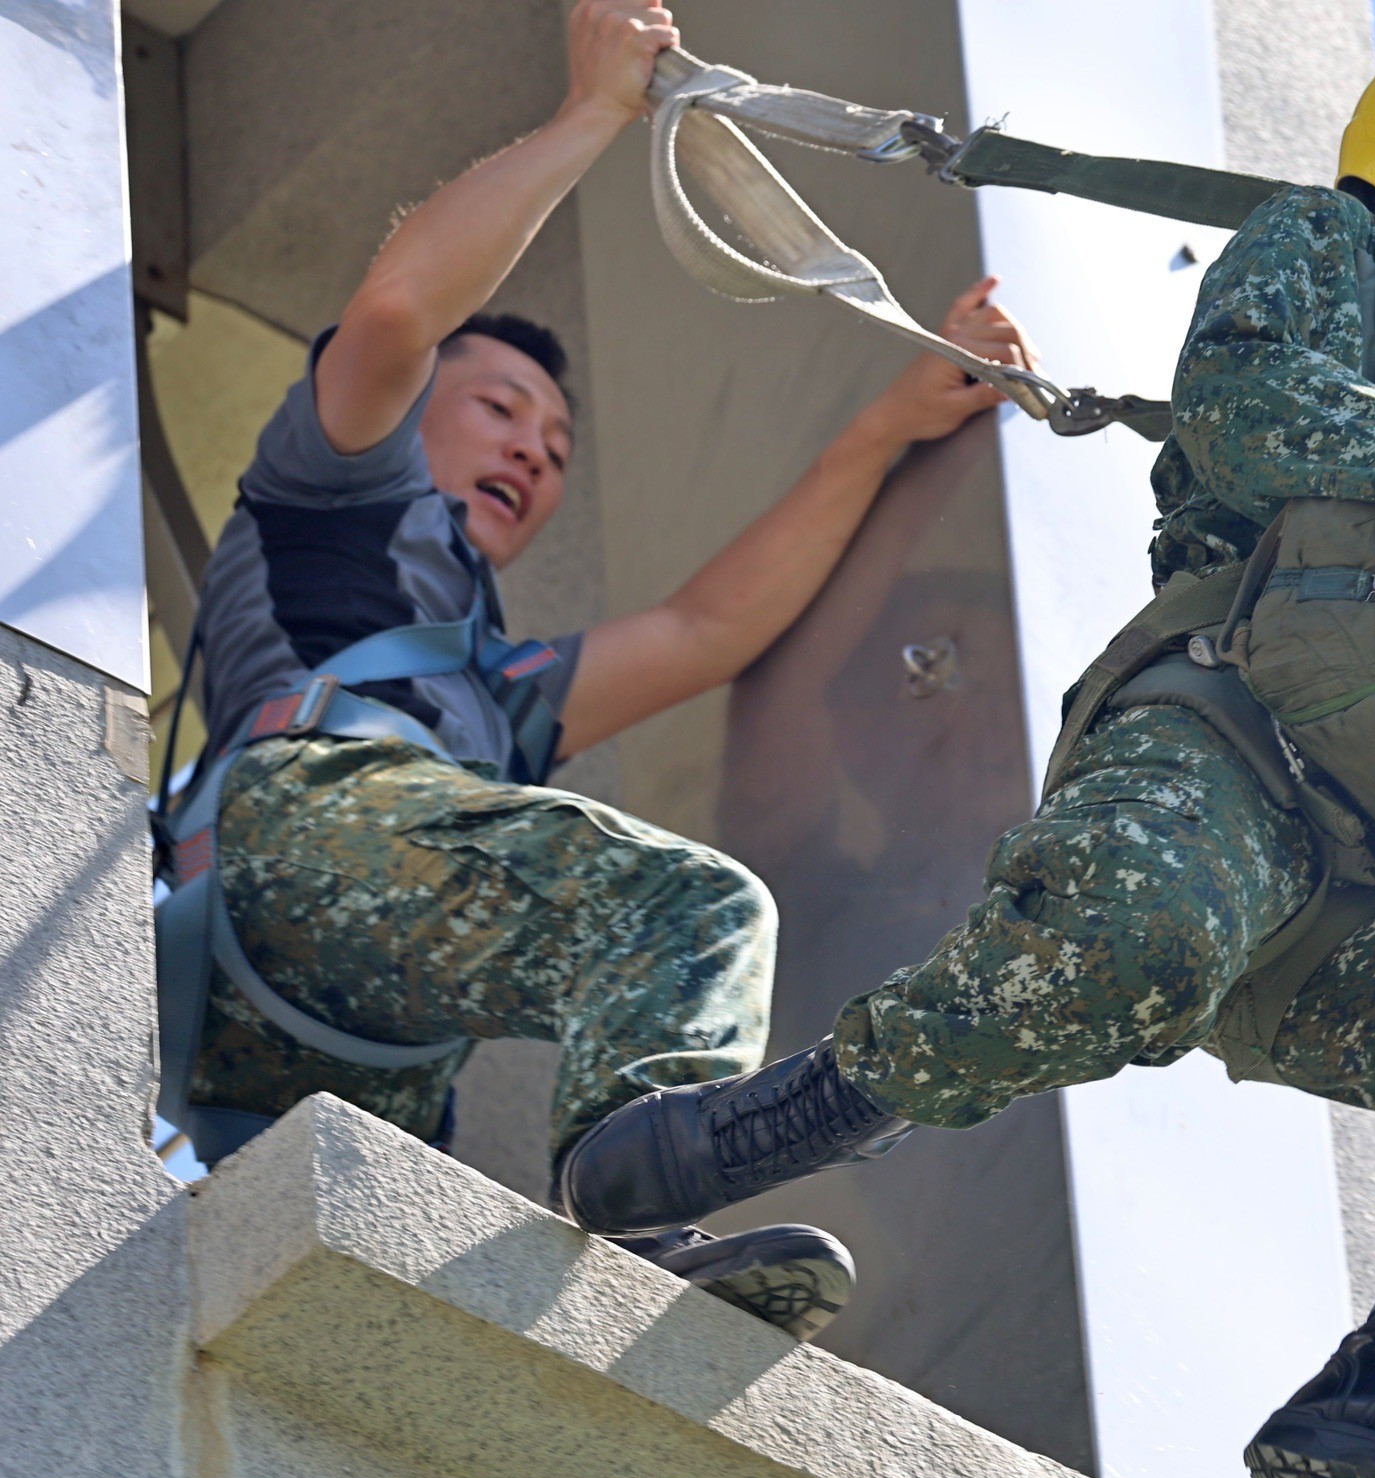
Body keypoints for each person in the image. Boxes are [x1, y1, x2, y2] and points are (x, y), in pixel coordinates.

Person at [559, 13, 1375, 1478]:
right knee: (1131, 941)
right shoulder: (1330, 251)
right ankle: (765, 1128)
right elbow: (1244, 398)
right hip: (1236, 755)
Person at [165, 0, 1036, 1339]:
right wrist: (591, 118)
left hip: (352, 1039)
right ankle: (641, 1192)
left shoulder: (499, 693)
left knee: (371, 1332)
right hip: (291, 845)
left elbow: (709, 632)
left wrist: (892, 429)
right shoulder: (330, 487)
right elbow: (400, 305)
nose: (534, 449)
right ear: (416, 403)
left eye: (560, 444)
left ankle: (638, 1248)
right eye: (501, 407)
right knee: (692, 912)